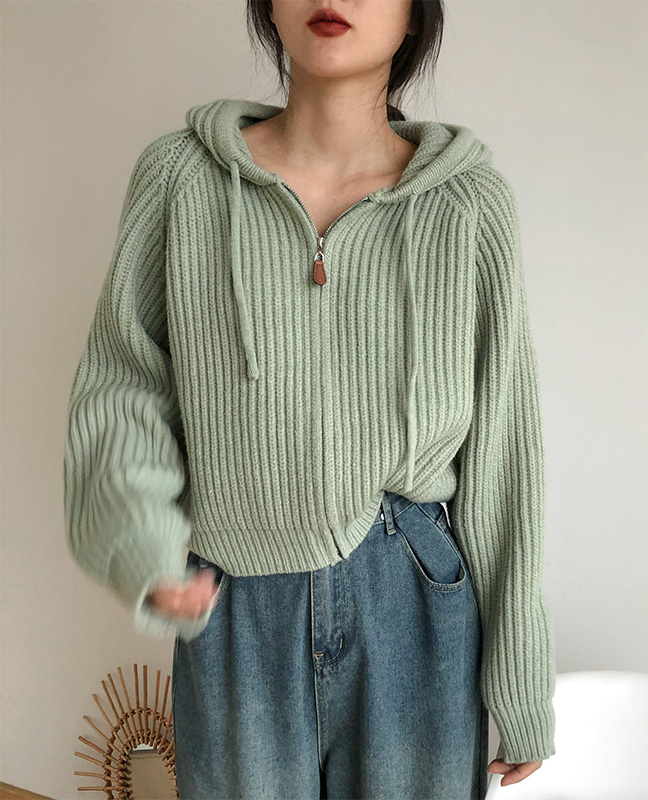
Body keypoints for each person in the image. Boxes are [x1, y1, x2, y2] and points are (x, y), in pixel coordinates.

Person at [62, 0, 557, 797]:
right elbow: (124, 389)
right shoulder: (182, 180)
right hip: (235, 598)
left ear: (415, 14)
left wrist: (521, 676)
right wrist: (143, 543)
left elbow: (505, 453)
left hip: (413, 596)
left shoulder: (468, 206)